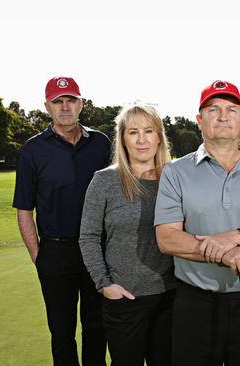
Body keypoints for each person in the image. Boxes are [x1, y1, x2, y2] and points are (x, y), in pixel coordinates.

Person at [154, 80, 240, 366]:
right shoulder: (176, 172)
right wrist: (227, 253)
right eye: (213, 109)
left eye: (231, 109)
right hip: (194, 303)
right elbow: (167, 238)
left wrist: (238, 236)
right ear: (199, 121)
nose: (223, 116)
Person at [13, 76, 109, 366]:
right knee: (62, 332)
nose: (65, 107)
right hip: (56, 252)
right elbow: (24, 209)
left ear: (81, 104)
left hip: (97, 250)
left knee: (97, 328)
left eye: (71, 100)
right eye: (58, 101)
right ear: (47, 106)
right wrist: (38, 256)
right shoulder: (33, 149)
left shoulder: (101, 143)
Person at [79, 104, 177, 366]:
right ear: (123, 139)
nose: (142, 139)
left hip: (170, 296)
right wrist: (104, 284)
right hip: (125, 299)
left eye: (149, 131)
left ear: (159, 137)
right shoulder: (104, 181)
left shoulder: (176, 178)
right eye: (133, 132)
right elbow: (88, 236)